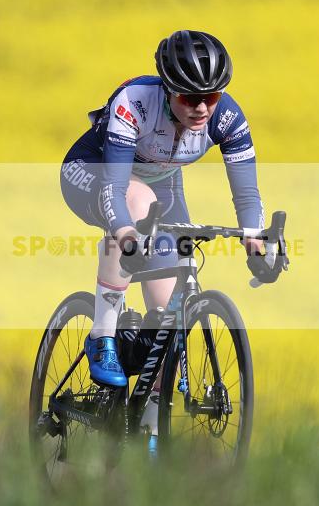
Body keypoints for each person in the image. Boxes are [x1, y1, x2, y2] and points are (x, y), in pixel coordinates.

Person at [60, 29, 279, 392]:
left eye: (211, 96)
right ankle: (102, 337)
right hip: (95, 172)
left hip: (160, 184)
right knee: (137, 203)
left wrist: (255, 239)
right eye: (189, 97)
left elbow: (247, 194)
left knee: (166, 324)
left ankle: (149, 437)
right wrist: (128, 236)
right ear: (167, 89)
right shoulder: (135, 101)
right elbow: (115, 190)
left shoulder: (227, 117)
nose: (201, 108)